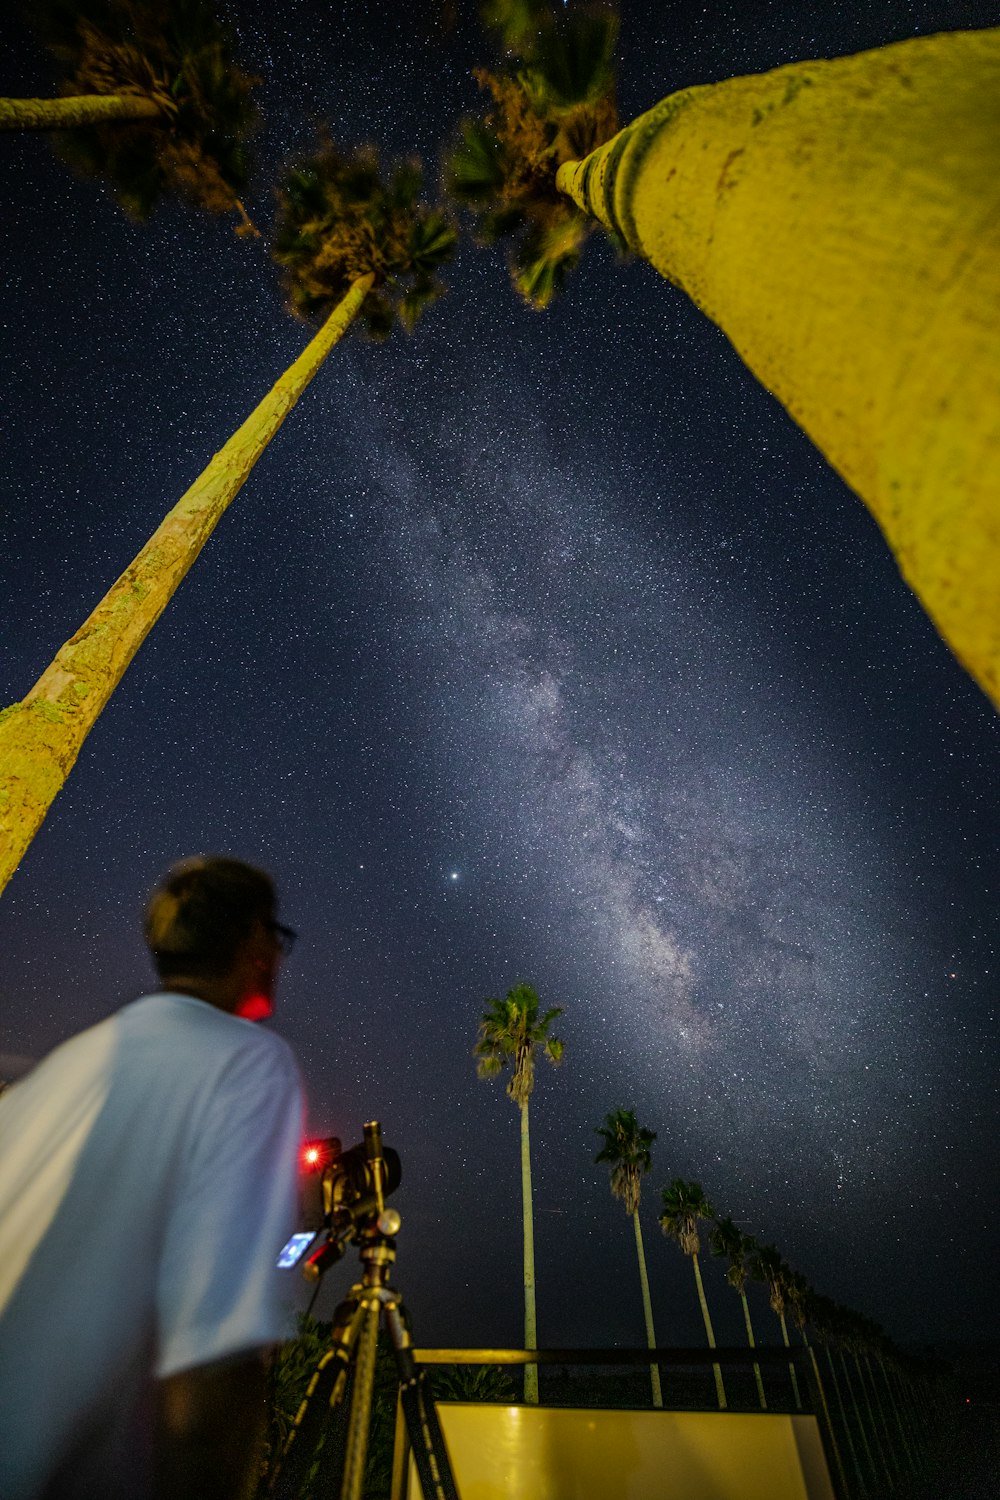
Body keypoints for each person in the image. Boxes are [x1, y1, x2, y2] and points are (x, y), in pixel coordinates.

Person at [0, 856, 305, 1500]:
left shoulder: (58, 1071)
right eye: (276, 937)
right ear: (253, 941)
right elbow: (211, 1367)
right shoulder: (247, 1065)